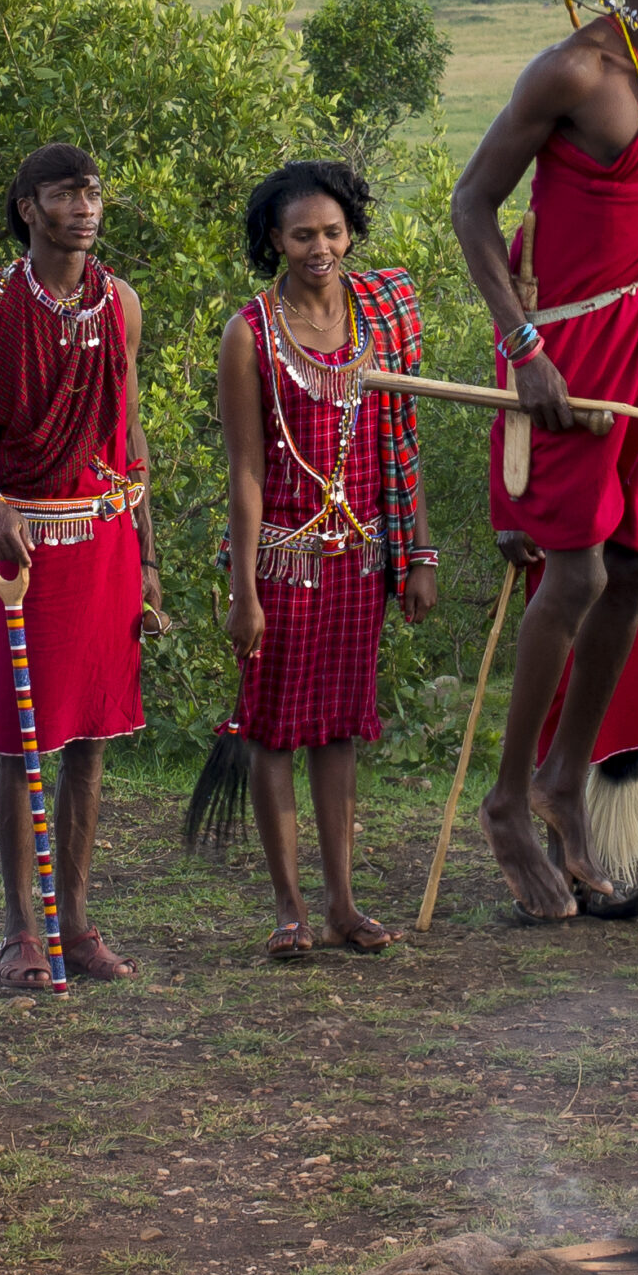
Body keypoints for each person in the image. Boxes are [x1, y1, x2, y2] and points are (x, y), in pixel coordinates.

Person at [448, 0, 638, 928]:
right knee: (575, 571)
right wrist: (522, 346)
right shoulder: (574, 70)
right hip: (563, 343)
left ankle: (566, 779)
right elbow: (474, 202)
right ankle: (509, 802)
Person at [0, 143, 161, 986]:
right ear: (28, 207)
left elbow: (128, 431)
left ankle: (75, 921)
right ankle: (17, 930)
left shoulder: (120, 303)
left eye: (93, 192)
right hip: (24, 546)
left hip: (104, 538)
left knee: (91, 739)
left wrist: (147, 555)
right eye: (66, 194)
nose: (85, 207)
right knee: (20, 741)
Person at [211, 156, 432, 959]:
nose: (321, 248)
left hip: (361, 561)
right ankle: (290, 910)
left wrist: (419, 554)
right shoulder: (250, 334)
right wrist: (243, 591)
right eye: (303, 234)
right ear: (274, 238)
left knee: (339, 731)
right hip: (282, 565)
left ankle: (344, 905)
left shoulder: (379, 315)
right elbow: (245, 471)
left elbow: (402, 438)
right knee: (273, 733)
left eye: (333, 232)